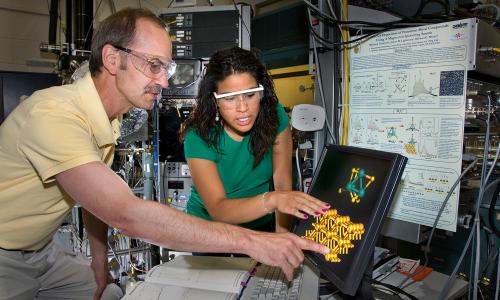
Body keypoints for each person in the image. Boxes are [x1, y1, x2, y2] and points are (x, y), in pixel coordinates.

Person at [0, 8, 329, 300]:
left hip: (44, 252)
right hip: (5, 257)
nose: (163, 81)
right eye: (153, 65)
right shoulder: (55, 115)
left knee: (111, 291)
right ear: (113, 59)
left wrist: (99, 260)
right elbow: (126, 214)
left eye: (166, 68)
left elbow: (91, 199)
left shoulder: (104, 121)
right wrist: (255, 242)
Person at [180, 47, 330, 239]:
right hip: (209, 231)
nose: (243, 108)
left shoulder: (274, 115)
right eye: (230, 98)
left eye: (250, 95)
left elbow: (283, 185)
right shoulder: (198, 136)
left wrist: (282, 238)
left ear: (261, 92)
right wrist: (273, 200)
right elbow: (219, 208)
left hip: (259, 225)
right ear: (214, 100)